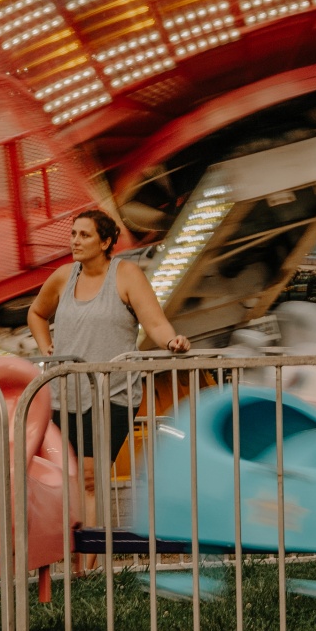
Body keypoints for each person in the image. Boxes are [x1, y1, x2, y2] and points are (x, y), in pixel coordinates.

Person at [28, 209, 185, 569]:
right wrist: (45, 348)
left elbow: (155, 324)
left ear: (106, 242)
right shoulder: (63, 277)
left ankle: (87, 568)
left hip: (111, 393)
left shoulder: (126, 275)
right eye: (73, 234)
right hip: (65, 393)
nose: (75, 241)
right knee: (66, 479)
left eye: (84, 235)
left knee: (88, 476)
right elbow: (37, 313)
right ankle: (69, 561)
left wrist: (172, 341)